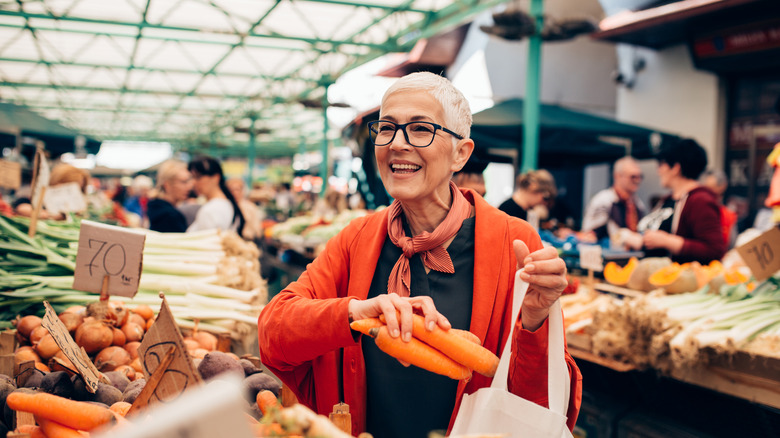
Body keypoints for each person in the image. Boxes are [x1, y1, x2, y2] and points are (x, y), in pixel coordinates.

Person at [257, 72, 581, 438]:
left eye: (420, 129)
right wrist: (352, 312)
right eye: (387, 128)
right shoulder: (356, 239)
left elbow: (536, 400)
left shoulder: (514, 241)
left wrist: (536, 321)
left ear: (462, 153)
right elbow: (273, 331)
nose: (397, 144)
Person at [633, 139, 727, 264]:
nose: (658, 171)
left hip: (679, 279)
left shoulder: (700, 201)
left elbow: (714, 250)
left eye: (661, 164)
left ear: (675, 168)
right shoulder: (668, 199)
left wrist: (668, 241)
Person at [581, 156, 646, 241]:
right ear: (617, 176)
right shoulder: (603, 201)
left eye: (640, 176)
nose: (638, 180)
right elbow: (588, 235)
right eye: (633, 176)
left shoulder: (638, 204)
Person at [187, 156, 245, 235]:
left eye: (198, 177)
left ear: (216, 177)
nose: (193, 182)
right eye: (192, 177)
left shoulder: (213, 209)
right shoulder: (224, 204)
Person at [14, 163, 90, 220]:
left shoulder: (77, 209)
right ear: (57, 182)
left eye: (80, 189)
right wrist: (53, 215)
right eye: (69, 188)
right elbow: (21, 208)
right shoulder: (37, 199)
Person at [147, 160, 193, 233]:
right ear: (167, 185)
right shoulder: (170, 216)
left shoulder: (157, 209)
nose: (189, 187)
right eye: (183, 182)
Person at [701, 168, 737, 248]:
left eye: (712, 190)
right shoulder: (696, 211)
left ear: (723, 187)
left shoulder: (728, 215)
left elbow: (732, 245)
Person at [226, 177, 262, 241]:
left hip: (246, 241)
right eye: (232, 190)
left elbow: (257, 230)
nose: (235, 192)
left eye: (237, 189)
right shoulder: (225, 206)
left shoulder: (250, 207)